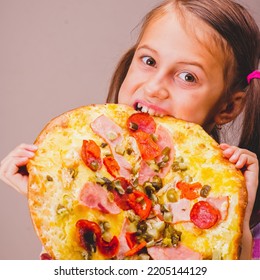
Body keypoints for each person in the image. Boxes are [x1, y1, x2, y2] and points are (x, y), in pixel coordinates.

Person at [0, 0, 259, 259]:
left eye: (187, 77)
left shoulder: (246, 237)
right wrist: (47, 193)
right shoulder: (79, 170)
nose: (154, 87)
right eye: (149, 60)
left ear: (228, 107)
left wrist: (238, 228)